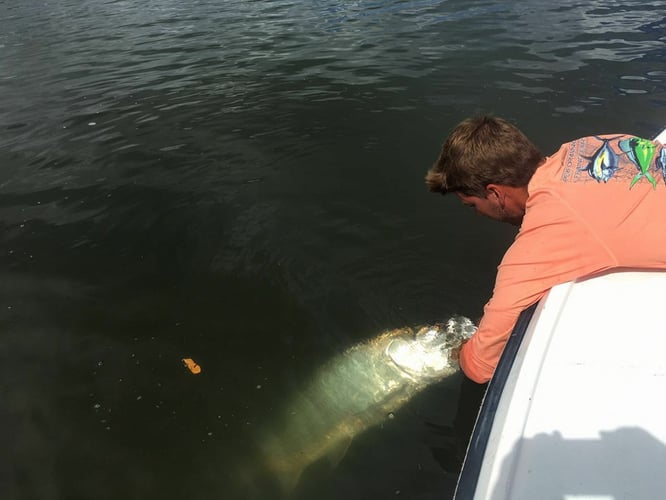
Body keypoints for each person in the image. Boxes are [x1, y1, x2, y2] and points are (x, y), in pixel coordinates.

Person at [426, 115, 666, 383]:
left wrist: (457, 350)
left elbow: (481, 367)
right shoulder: (592, 145)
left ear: (495, 193)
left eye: (472, 205)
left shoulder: (546, 233)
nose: (479, 215)